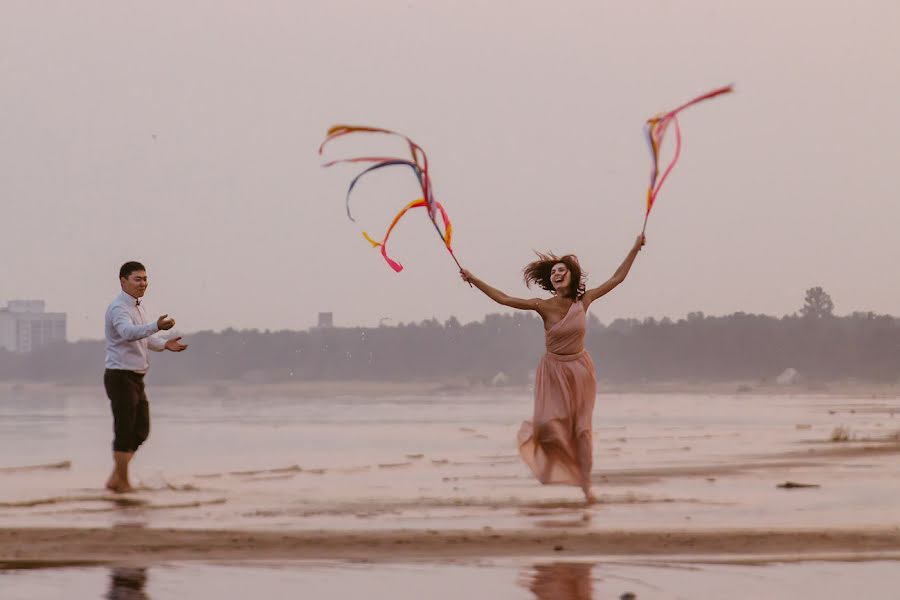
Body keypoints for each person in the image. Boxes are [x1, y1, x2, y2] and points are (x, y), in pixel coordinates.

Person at [460, 234, 645, 503]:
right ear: (551, 279)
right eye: (554, 271)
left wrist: (634, 248)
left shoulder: (584, 301)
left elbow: (617, 278)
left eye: (562, 270)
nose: (558, 274)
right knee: (548, 426)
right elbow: (503, 298)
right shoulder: (543, 306)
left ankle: (586, 486)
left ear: (571, 275)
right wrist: (473, 279)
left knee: (582, 430)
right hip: (553, 371)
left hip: (580, 370)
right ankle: (557, 467)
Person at [104, 261, 187, 493]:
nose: (143, 283)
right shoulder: (119, 308)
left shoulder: (137, 307)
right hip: (120, 375)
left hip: (136, 377)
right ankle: (123, 483)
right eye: (137, 279)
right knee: (124, 430)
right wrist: (156, 326)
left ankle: (115, 478)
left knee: (141, 430)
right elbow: (128, 333)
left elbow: (143, 337)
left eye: (145, 279)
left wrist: (164, 344)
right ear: (123, 281)